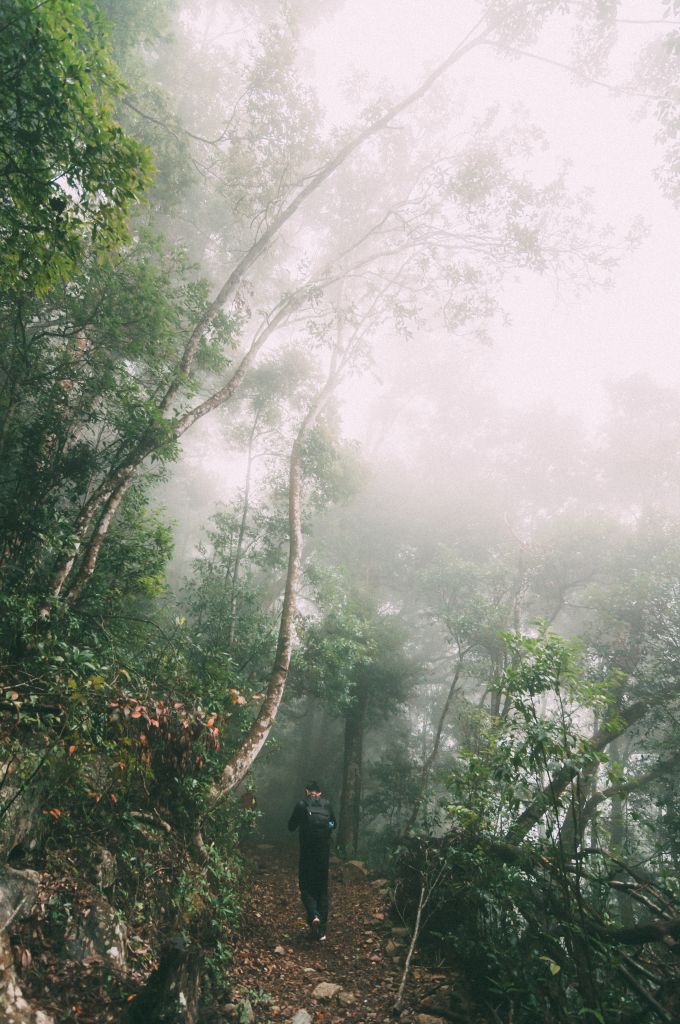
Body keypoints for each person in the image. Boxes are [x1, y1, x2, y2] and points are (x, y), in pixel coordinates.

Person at [288, 781, 336, 940]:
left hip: (307, 853)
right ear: (320, 793)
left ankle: (314, 915)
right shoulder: (327, 805)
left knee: (305, 887)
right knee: (322, 890)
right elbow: (333, 824)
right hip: (323, 855)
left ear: (306, 791)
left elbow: (291, 826)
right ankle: (321, 931)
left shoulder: (302, 805)